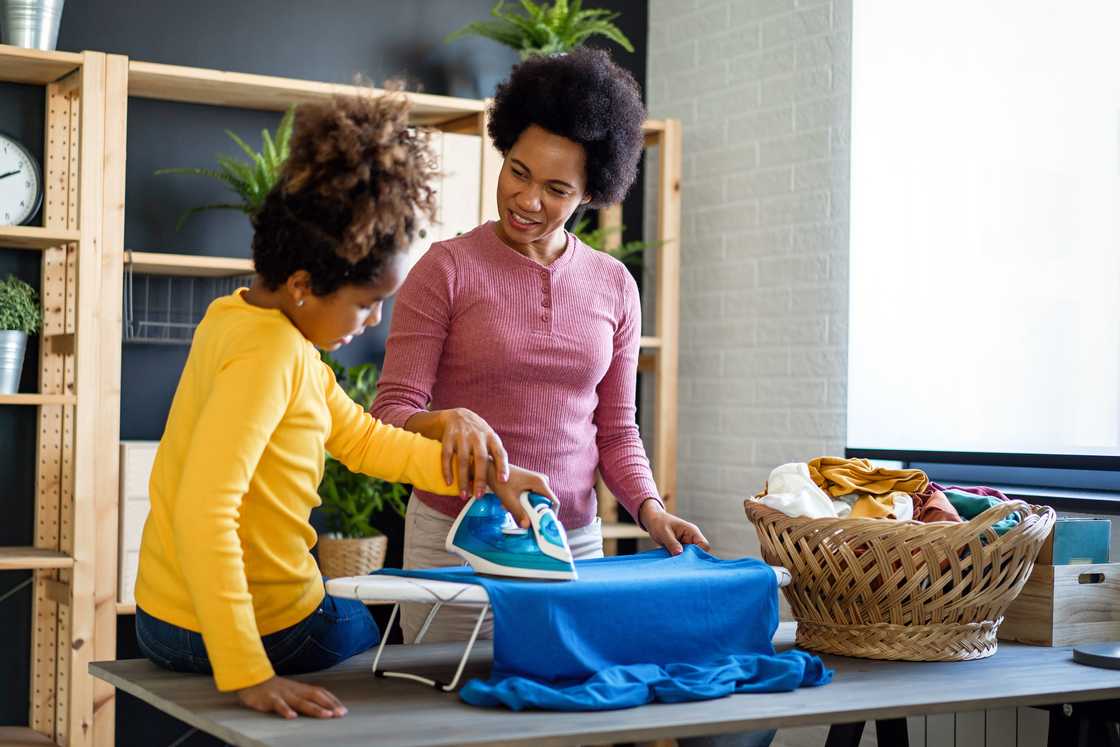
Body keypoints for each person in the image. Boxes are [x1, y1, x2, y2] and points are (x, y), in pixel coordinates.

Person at [132, 88, 553, 721]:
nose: (374, 320)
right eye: (364, 302)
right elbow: (203, 511)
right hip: (253, 629)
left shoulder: (240, 324)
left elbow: (363, 439)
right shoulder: (270, 356)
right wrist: (248, 674)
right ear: (303, 286)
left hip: (165, 616)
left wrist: (491, 476)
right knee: (388, 652)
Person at [372, 47, 709, 638]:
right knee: (449, 719)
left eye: (556, 189)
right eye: (518, 173)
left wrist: (651, 510)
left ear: (590, 194)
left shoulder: (613, 286)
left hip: (571, 541)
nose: (528, 201)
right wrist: (449, 421)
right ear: (503, 153)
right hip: (454, 539)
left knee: (566, 712)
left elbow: (617, 430)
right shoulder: (445, 269)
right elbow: (392, 411)